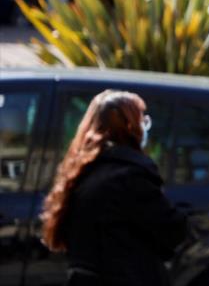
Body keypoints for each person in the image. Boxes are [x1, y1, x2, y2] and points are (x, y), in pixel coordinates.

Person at [40, 90, 187, 285]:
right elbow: (170, 229)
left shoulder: (80, 171)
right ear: (129, 124)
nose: (145, 126)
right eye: (142, 119)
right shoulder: (130, 174)